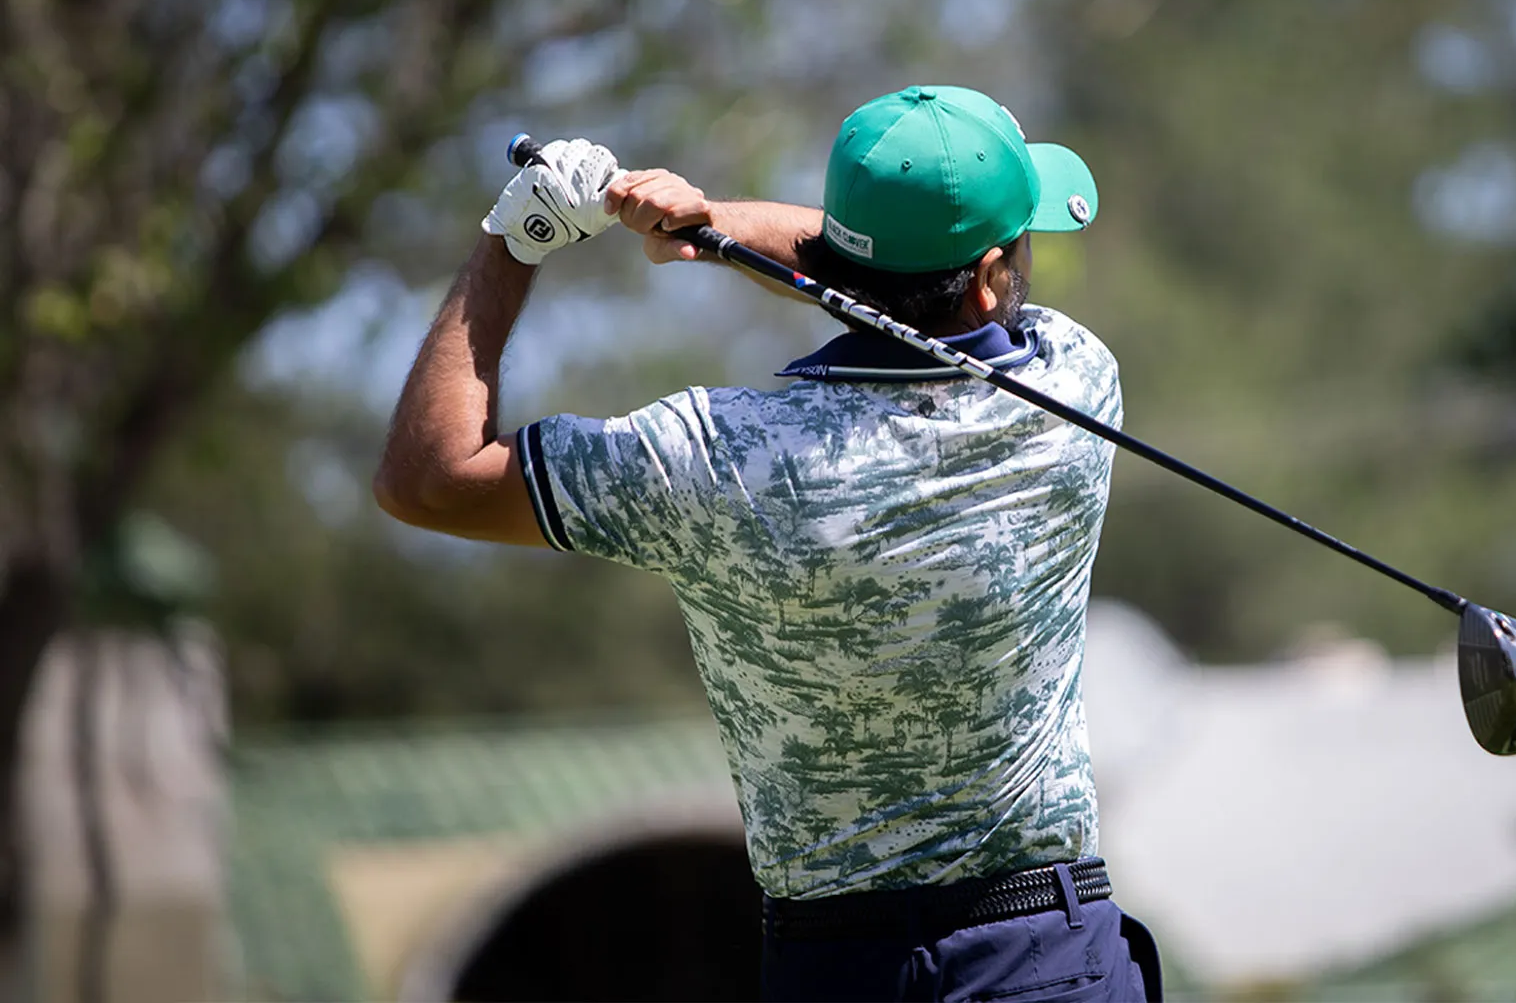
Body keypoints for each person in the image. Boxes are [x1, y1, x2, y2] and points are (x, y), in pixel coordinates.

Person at [375, 85, 1161, 1002]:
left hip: (834, 970)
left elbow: (427, 478)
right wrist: (713, 226)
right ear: (988, 278)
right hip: (1045, 957)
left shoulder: (711, 460)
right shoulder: (1071, 390)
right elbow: (861, 282)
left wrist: (521, 239)